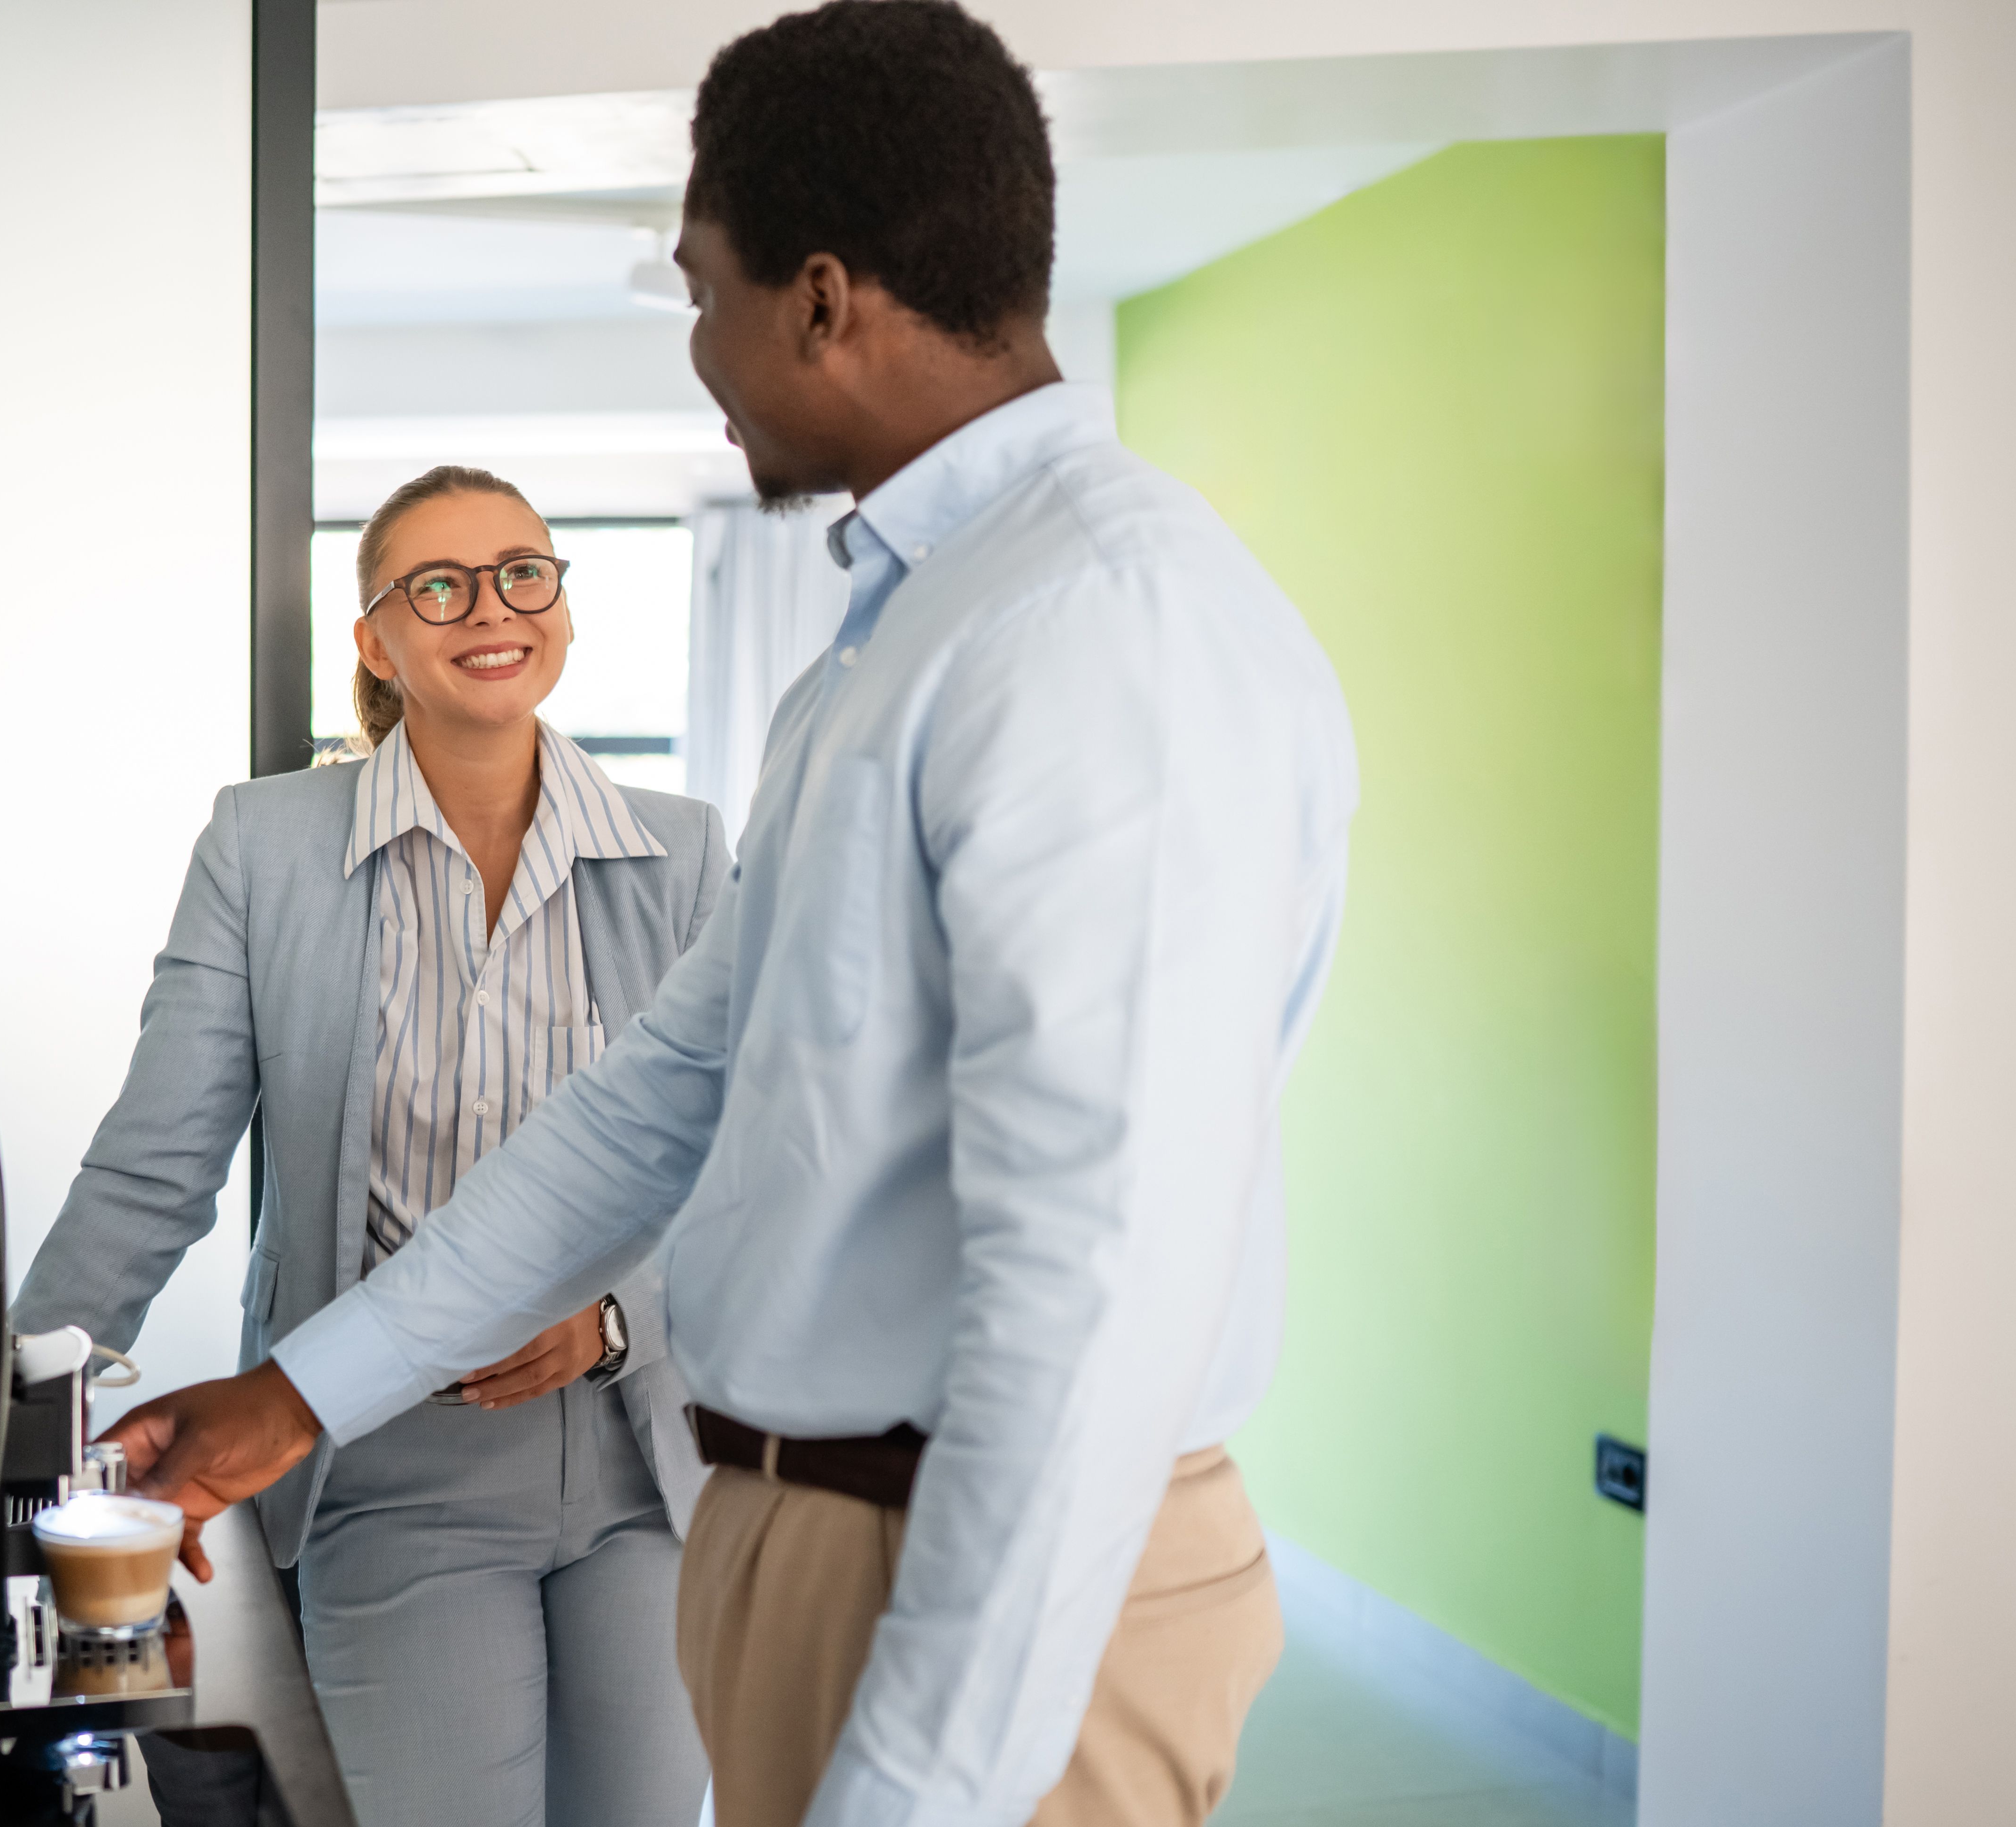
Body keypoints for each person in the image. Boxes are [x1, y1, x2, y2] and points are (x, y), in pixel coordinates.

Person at [105, 4, 1360, 1824]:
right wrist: (295, 1396)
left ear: (824, 297)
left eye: (704, 289)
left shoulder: (1098, 629)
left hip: (980, 1585)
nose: (703, 348)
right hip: (795, 1532)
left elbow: (1095, 1287)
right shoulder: (901, 633)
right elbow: (664, 1091)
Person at [11, 464, 725, 1827]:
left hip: (647, 1458)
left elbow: (740, 1161)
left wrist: (614, 1320)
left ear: (562, 606)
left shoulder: (682, 852)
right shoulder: (264, 846)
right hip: (389, 1456)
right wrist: (12, 1424)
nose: (490, 609)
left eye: (523, 572)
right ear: (375, 639)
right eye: (437, 585)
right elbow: (157, 1161)